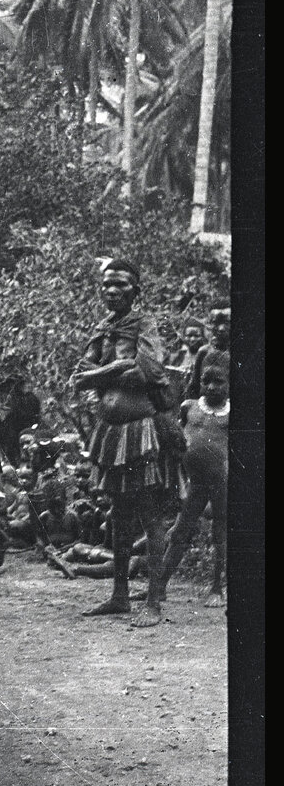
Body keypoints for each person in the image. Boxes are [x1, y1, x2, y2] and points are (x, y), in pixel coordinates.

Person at [71, 258, 178, 626]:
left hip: (139, 430)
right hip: (111, 432)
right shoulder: (102, 328)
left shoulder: (144, 324)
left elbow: (146, 371)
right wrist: (113, 369)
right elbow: (78, 376)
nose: (112, 291)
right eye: (106, 285)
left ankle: (153, 602)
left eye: (121, 284)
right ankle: (119, 595)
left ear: (136, 290)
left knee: (149, 514)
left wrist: (106, 372)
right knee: (119, 514)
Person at [156, 349, 230, 608]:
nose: (210, 387)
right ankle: (160, 586)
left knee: (219, 533)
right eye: (206, 381)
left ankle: (217, 588)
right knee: (179, 532)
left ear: (230, 383)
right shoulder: (190, 408)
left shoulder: (232, 413)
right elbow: (178, 443)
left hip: (221, 484)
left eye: (219, 381)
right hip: (196, 484)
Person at [185, 305, 230, 401]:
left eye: (227, 322)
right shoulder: (203, 352)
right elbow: (194, 389)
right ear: (209, 324)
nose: (221, 328)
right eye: (215, 322)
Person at [166, 318, 206, 406]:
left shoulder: (206, 356)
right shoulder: (176, 357)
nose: (192, 339)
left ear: (203, 336)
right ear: (183, 336)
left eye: (196, 336)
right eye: (189, 335)